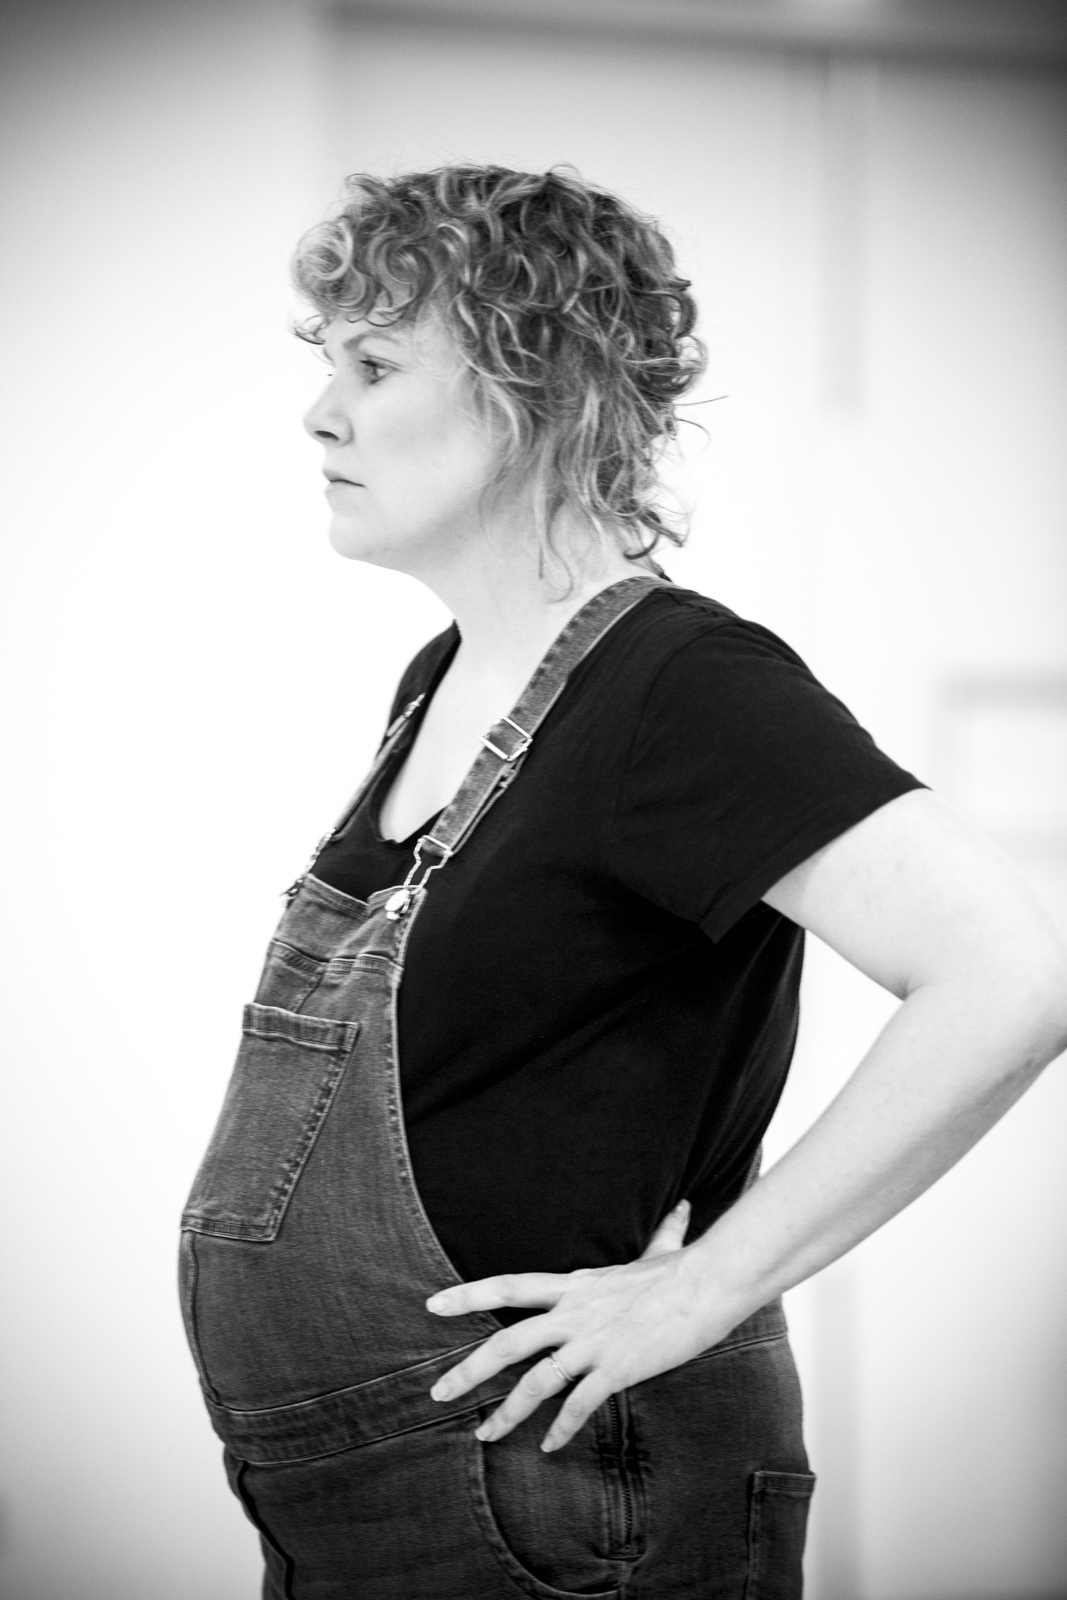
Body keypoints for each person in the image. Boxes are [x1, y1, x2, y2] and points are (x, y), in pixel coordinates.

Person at [179, 165, 1067, 1600]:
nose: (320, 410)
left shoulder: (677, 685)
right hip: (371, 1514)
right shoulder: (446, 679)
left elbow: (1009, 978)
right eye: (326, 363)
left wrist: (700, 1291)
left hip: (564, 1506)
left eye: (377, 362)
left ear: (539, 386)